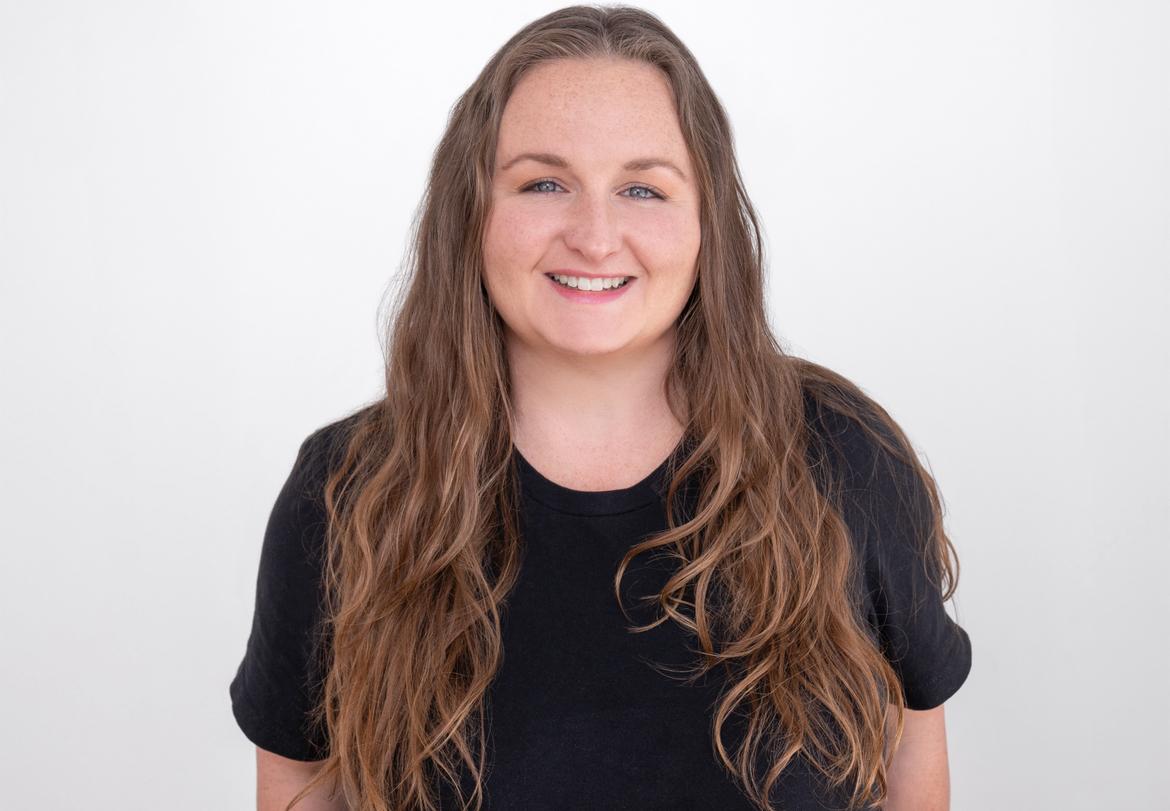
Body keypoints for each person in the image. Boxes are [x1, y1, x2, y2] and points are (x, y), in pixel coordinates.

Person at [228, 5, 972, 810]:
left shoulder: (842, 454)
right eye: (544, 183)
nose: (594, 235)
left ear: (706, 222)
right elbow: (305, 784)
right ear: (471, 210)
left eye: (642, 188)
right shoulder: (347, 489)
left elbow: (908, 758)